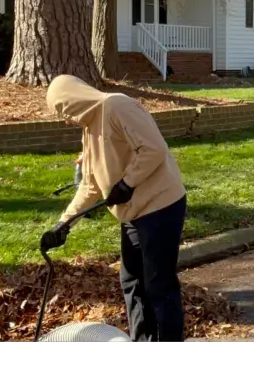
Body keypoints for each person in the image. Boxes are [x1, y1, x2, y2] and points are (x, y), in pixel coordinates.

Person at [40, 74, 188, 343]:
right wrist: (63, 225)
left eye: (62, 110)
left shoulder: (117, 106)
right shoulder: (90, 130)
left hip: (161, 206)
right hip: (133, 214)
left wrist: (126, 182)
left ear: (73, 99)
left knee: (159, 285)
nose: (65, 119)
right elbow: (89, 186)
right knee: (132, 282)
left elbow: (154, 148)